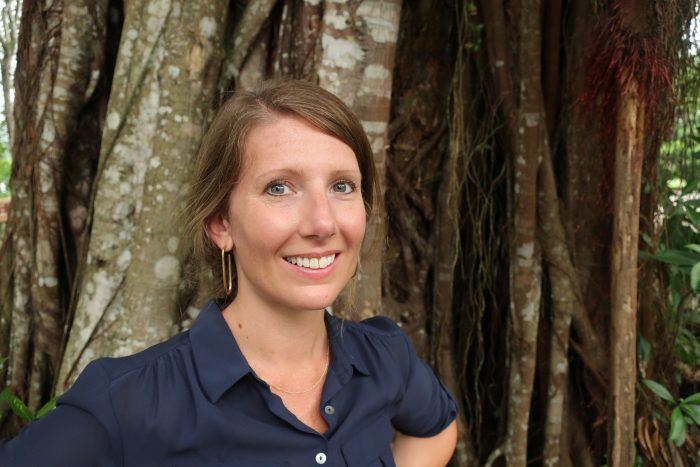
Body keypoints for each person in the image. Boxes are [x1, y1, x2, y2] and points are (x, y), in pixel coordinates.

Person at [0, 79, 457, 466]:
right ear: (221, 224)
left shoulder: (384, 357)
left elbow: (436, 429)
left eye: (342, 186)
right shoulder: (128, 401)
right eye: (280, 188)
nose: (323, 223)